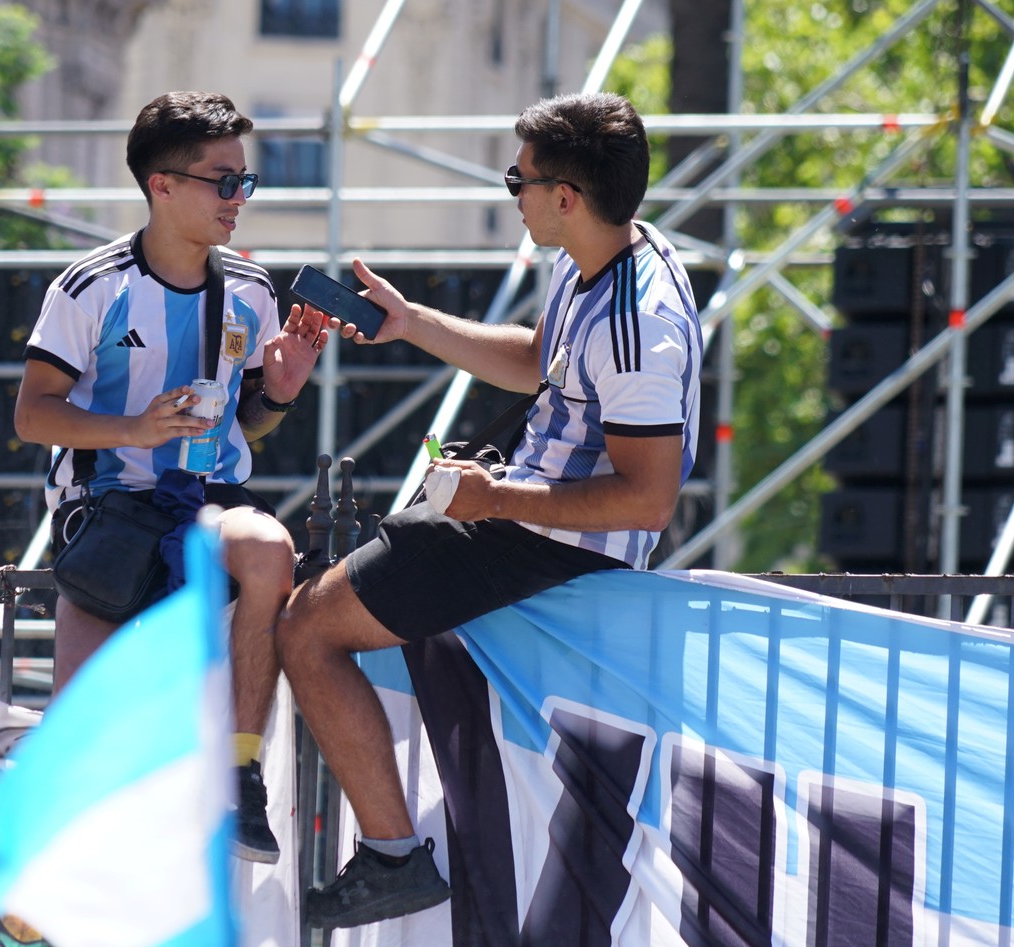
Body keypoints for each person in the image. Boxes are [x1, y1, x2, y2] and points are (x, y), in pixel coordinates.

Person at [278, 91, 703, 930]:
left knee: (305, 627)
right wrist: (409, 322)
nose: (511, 193)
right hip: (520, 520)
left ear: (565, 198)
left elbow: (649, 498)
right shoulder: (605, 256)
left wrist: (493, 496)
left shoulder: (637, 324)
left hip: (549, 545)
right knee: (338, 591)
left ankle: (394, 854)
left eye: (519, 178)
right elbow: (541, 362)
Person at [14, 91, 327, 865]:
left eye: (244, 182)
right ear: (162, 184)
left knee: (270, 548)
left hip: (207, 507)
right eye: (222, 181)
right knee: (79, 772)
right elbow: (32, 415)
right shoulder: (89, 286)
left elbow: (244, 422)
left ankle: (239, 772)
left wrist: (278, 392)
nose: (238, 199)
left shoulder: (251, 290)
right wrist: (132, 430)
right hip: (110, 512)